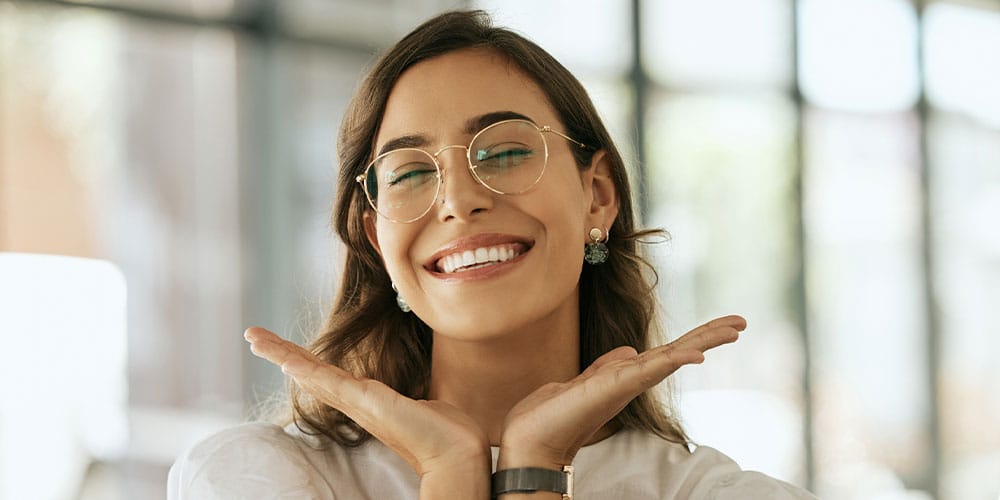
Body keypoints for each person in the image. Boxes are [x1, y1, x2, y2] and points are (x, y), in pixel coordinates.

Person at [168, 10, 818, 500]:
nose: (458, 200)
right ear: (378, 240)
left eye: (505, 152)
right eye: (408, 173)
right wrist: (452, 473)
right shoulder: (255, 477)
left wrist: (534, 468)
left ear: (597, 198)